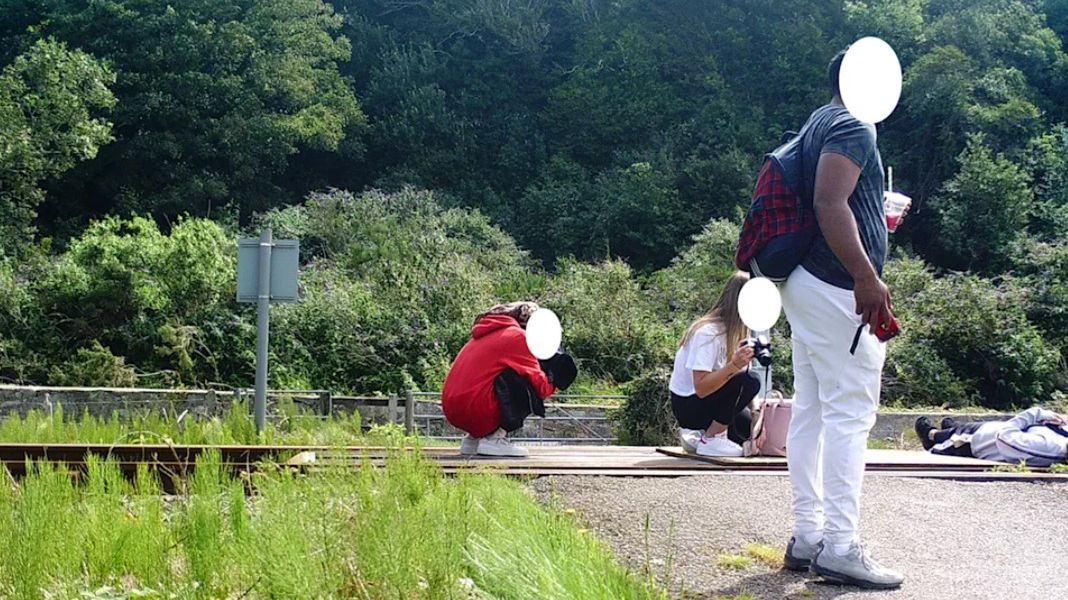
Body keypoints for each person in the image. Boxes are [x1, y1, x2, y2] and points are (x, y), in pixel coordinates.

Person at [779, 48, 905, 589]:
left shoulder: (821, 119)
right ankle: (840, 547)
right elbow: (830, 203)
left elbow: (838, 202)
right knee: (851, 414)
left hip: (805, 282)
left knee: (811, 411)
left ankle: (809, 536)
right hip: (835, 286)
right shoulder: (855, 125)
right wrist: (865, 276)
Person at [441, 302, 556, 457]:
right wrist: (556, 379)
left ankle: (473, 440)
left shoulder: (485, 333)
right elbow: (541, 387)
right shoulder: (518, 337)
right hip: (476, 410)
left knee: (500, 375)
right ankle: (494, 439)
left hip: (452, 410)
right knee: (525, 383)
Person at [669, 271, 760, 457]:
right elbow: (701, 388)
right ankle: (710, 438)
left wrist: (757, 414)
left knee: (748, 432)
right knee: (752, 380)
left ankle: (698, 438)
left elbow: (743, 379)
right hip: (689, 404)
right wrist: (733, 365)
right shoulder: (708, 333)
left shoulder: (739, 332)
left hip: (712, 399)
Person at [915, 408, 1068, 467]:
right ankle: (952, 427)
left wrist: (1036, 414)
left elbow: (1004, 437)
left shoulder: (1047, 448)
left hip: (979, 441)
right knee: (958, 427)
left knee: (951, 436)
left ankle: (931, 436)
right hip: (990, 428)